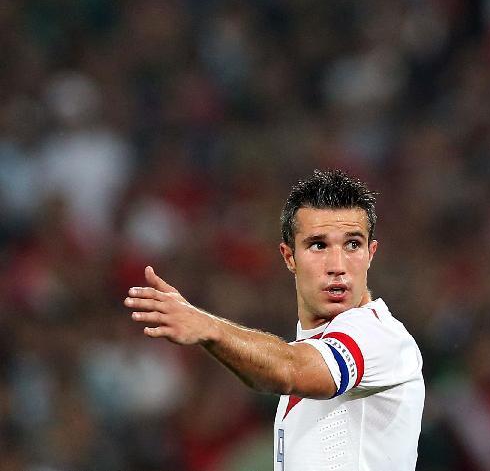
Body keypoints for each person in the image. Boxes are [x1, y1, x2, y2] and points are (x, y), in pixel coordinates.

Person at [123, 169, 425, 471]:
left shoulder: (377, 336)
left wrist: (210, 328)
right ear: (289, 256)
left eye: (353, 245)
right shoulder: (312, 347)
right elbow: (274, 372)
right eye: (318, 245)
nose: (337, 265)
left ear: (371, 254)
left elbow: (288, 369)